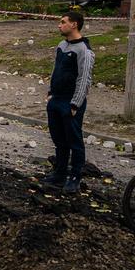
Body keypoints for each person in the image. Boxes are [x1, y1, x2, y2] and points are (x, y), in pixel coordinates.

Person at [44, 11, 94, 194]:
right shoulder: (62, 45)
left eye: (63, 22)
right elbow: (56, 69)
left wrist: (75, 104)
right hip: (56, 99)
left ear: (74, 24)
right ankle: (59, 173)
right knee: (59, 140)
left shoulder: (84, 50)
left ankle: (75, 177)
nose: (59, 25)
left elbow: (84, 79)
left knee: (74, 141)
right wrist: (50, 92)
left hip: (70, 102)